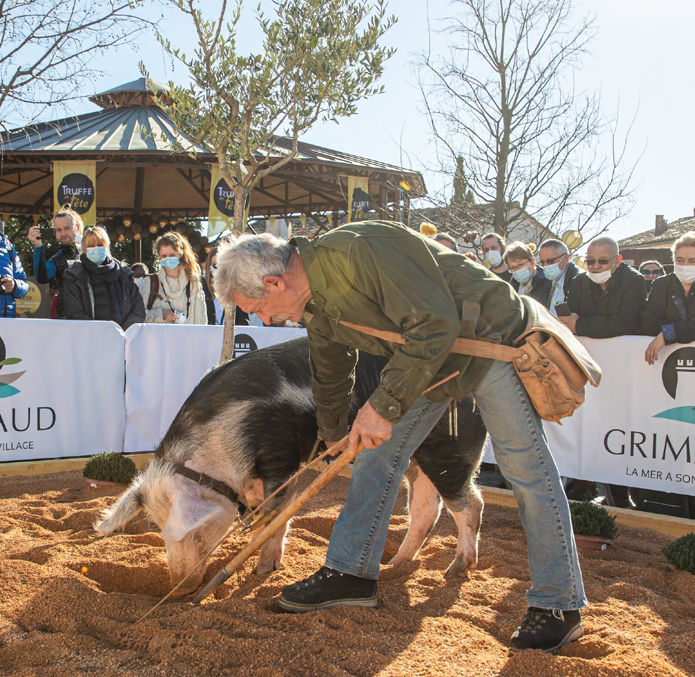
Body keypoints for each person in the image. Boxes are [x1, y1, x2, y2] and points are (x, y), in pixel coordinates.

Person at [215, 221, 586, 654]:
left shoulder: (359, 250)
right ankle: (350, 573)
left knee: (527, 469)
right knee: (376, 455)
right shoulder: (314, 301)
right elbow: (331, 365)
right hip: (432, 359)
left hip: (490, 341)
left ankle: (559, 605)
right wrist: (334, 434)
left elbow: (435, 323)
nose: (263, 318)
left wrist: (381, 407)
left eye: (257, 306)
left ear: (275, 281)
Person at [58, 226, 145, 328]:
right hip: (90, 339)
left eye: (100, 245)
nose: (96, 248)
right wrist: (103, 333)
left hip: (123, 339)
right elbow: (75, 314)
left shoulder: (123, 273)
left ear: (106, 246)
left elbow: (138, 310)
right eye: (91, 245)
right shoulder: (75, 277)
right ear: (84, 249)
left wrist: (122, 333)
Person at [562, 235, 646, 337]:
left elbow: (628, 323)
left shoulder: (634, 280)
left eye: (603, 261)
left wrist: (580, 325)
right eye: (590, 261)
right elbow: (569, 320)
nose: (596, 266)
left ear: (618, 261)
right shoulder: (579, 282)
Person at [643, 233, 695, 365]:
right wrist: (686, 327)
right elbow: (649, 323)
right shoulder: (661, 285)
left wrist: (668, 333)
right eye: (680, 260)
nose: (685, 265)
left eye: (692, 261)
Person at [137, 231, 207, 324]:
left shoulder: (193, 283)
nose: (168, 259)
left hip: (187, 337)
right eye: (164, 256)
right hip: (158, 337)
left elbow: (201, 320)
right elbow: (138, 315)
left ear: (180, 254)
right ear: (159, 257)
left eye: (172, 255)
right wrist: (160, 314)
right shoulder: (150, 282)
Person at [27, 205, 83, 317]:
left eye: (67, 228)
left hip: (93, 313)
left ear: (77, 227)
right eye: (58, 230)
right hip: (67, 314)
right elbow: (42, 278)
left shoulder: (90, 250)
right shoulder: (57, 259)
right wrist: (38, 247)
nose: (63, 234)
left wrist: (84, 243)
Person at [202, 245, 249, 326]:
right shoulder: (202, 285)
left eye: (222, 265)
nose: (219, 269)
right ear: (209, 265)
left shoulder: (236, 285)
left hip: (231, 334)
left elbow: (243, 316)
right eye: (215, 265)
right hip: (208, 334)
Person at [538, 239, 582, 315]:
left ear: (566, 258)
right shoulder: (545, 282)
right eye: (542, 263)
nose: (546, 266)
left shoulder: (581, 283)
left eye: (550, 261)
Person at [504, 241, 551, 307]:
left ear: (532, 262)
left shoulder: (547, 281)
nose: (517, 270)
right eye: (512, 268)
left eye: (520, 265)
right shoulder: (512, 286)